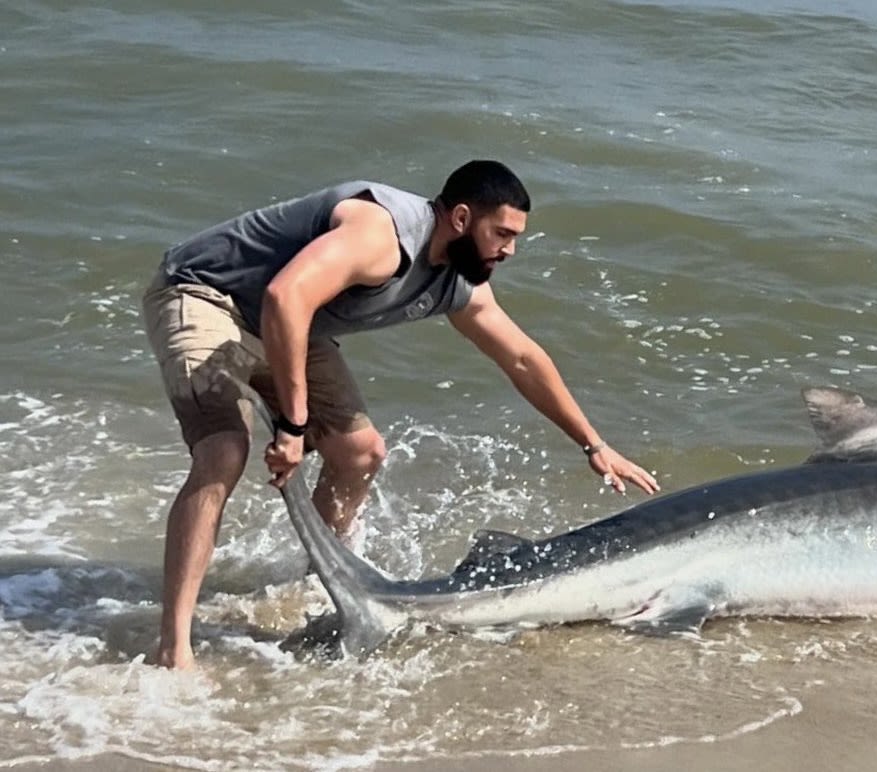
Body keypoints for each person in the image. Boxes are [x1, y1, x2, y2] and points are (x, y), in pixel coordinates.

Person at [141, 160, 660, 670]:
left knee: (360, 453)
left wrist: (594, 445)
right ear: (460, 218)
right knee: (224, 450)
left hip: (294, 326)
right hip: (207, 296)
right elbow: (285, 294)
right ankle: (174, 648)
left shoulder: (459, 284)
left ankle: (312, 589)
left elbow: (523, 358)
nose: (509, 249)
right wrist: (294, 425)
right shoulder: (381, 234)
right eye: (501, 233)